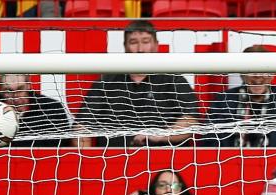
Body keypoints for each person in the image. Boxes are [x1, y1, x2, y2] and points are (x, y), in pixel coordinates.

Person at [75, 20, 199, 148]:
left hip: (165, 164)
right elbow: (82, 126)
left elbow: (191, 119)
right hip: (112, 162)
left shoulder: (173, 80)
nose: (140, 49)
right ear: (125, 46)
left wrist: (160, 136)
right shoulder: (105, 82)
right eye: (134, 42)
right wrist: (85, 162)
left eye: (145, 42)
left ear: (156, 45)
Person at [204, 45, 276, 148]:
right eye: (252, 70)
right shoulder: (222, 102)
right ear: (242, 74)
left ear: (272, 75)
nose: (258, 76)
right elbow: (208, 142)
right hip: (230, 162)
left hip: (274, 163)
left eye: (263, 70)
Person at [0, 74, 70, 147]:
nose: (15, 97)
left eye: (20, 89)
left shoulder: (52, 108)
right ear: (0, 90)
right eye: (8, 91)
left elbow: (62, 145)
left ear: (28, 85)